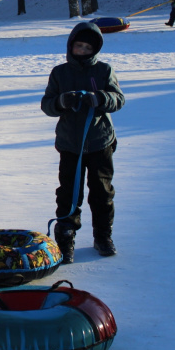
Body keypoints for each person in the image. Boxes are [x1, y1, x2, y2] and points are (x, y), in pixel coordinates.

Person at [40, 22, 125, 264]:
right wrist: (62, 101)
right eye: (79, 45)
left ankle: (103, 236)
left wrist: (100, 98)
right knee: (68, 193)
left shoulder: (104, 71)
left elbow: (119, 99)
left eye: (88, 47)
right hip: (70, 144)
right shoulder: (60, 73)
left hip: (100, 142)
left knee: (101, 192)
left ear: (95, 49)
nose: (83, 50)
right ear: (71, 45)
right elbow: (47, 104)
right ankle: (65, 240)